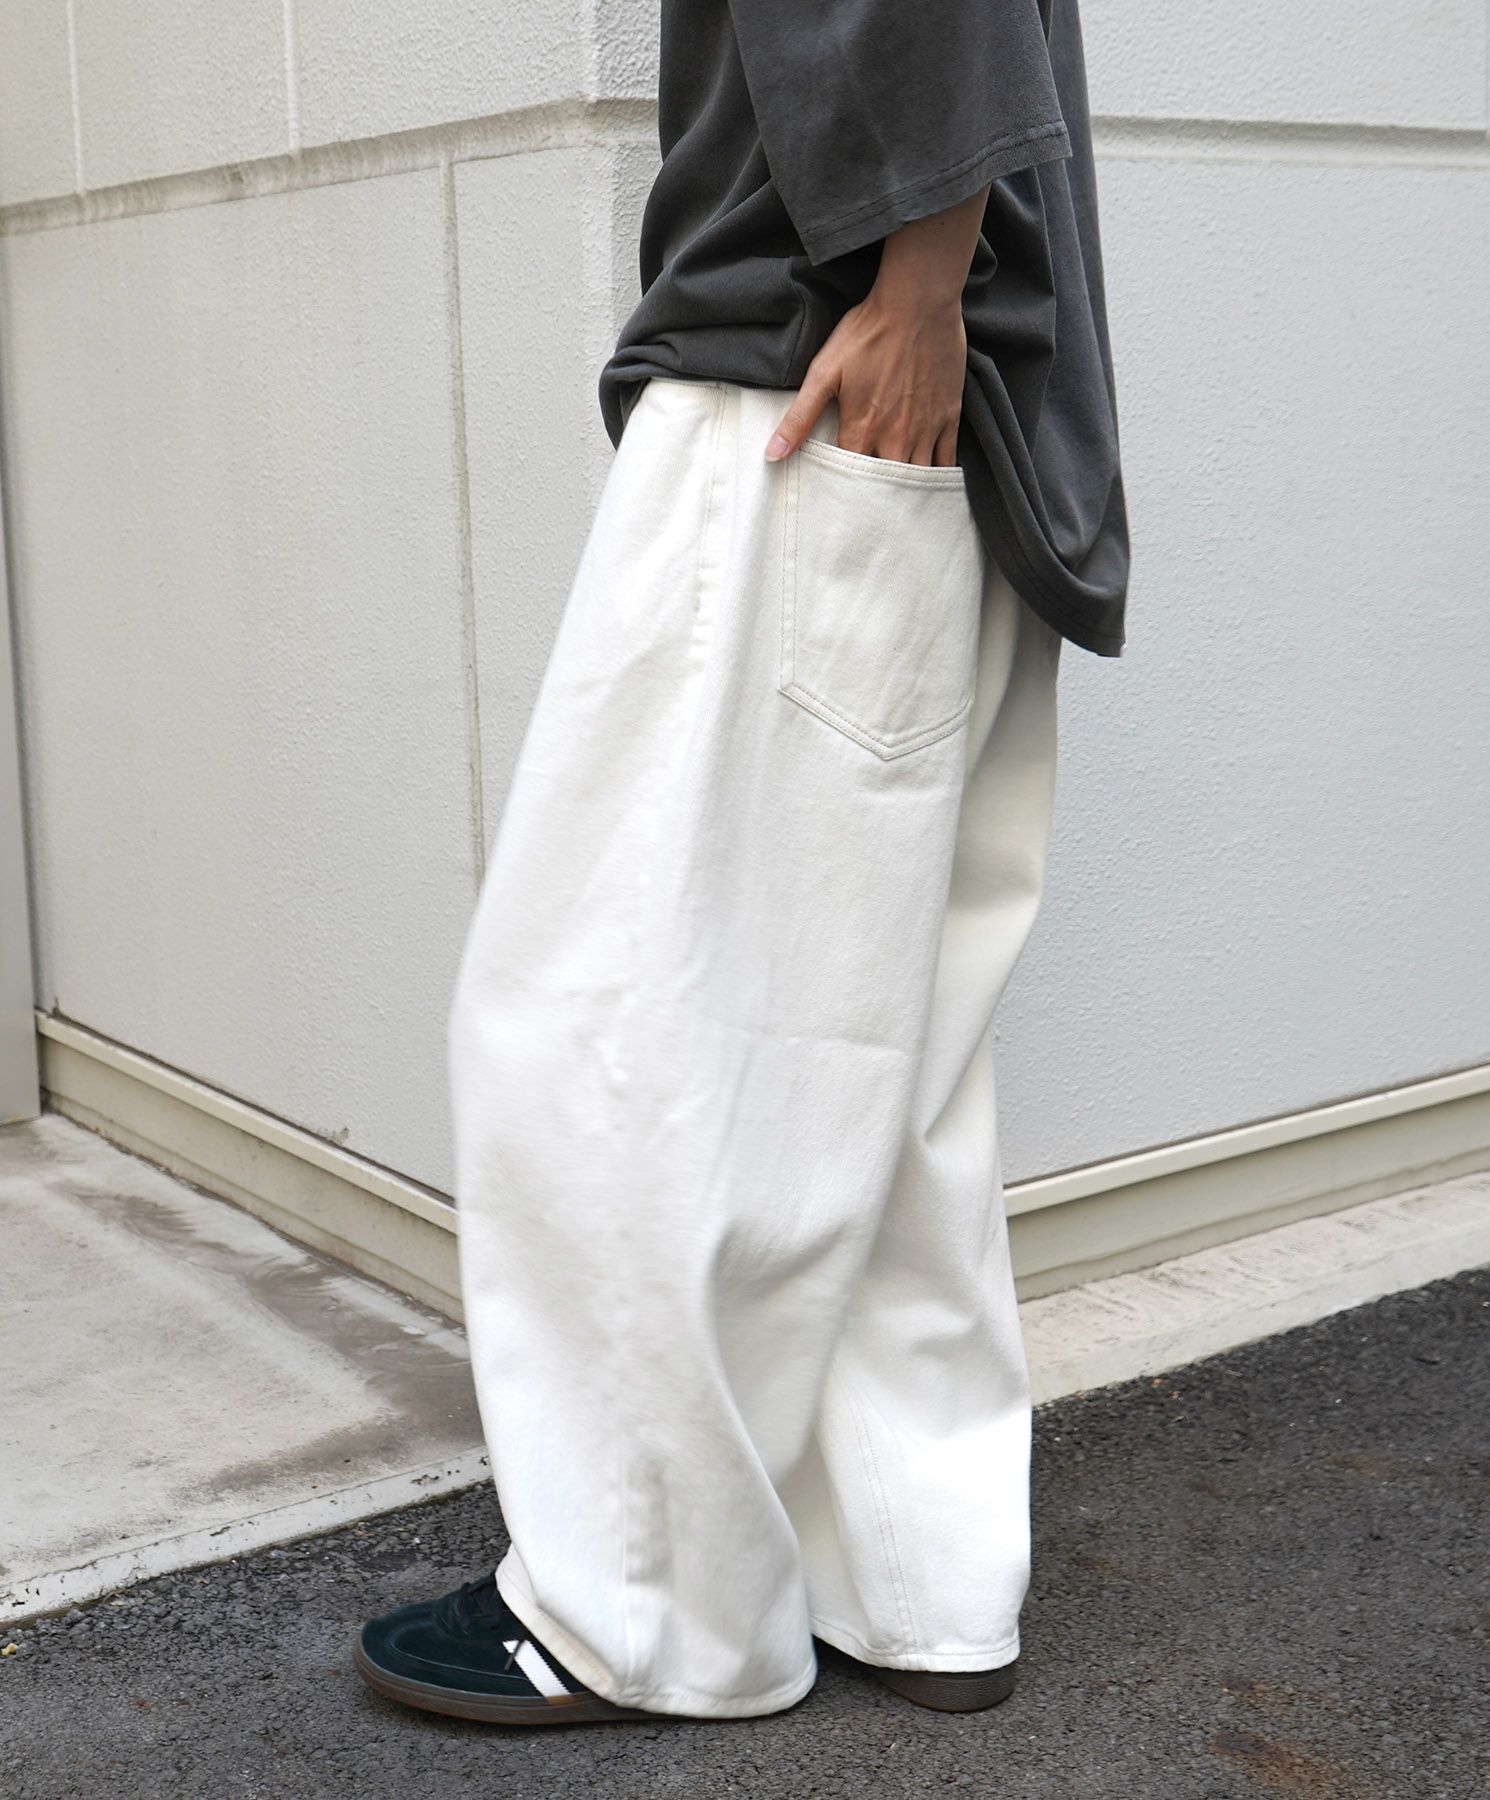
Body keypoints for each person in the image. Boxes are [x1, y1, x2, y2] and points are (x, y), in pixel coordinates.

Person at [356, 0, 1127, 1726]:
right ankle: (921, 1586)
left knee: (609, 1027)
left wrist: (917, 285)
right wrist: (936, 290)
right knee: (889, 1071)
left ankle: (641, 1610)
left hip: (824, 370)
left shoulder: (884, 321)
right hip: (966, 408)